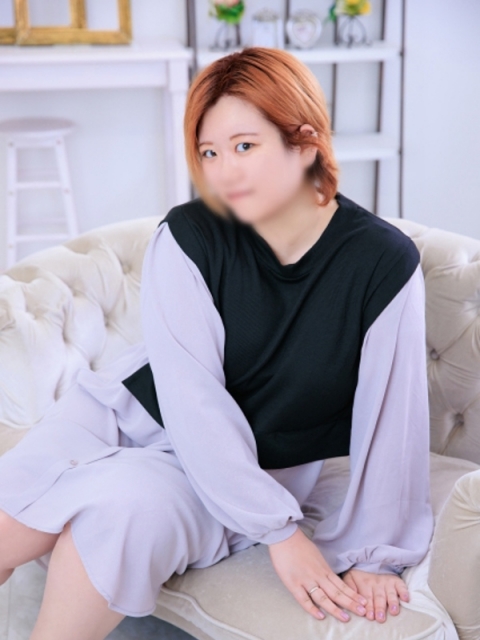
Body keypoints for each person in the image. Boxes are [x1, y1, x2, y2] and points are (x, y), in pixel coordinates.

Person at [0, 46, 434, 639]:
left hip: (232, 475)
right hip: (119, 418)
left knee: (116, 514)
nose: (224, 172)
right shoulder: (190, 234)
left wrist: (372, 552)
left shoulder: (382, 264)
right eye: (209, 152)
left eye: (244, 146)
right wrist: (282, 536)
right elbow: (190, 396)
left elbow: (394, 417)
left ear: (305, 143)